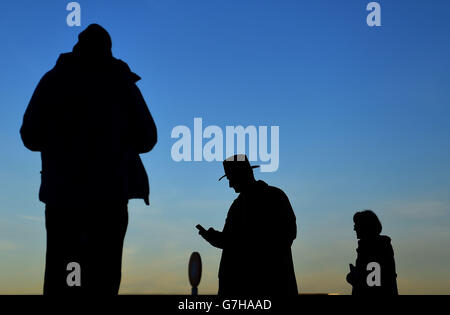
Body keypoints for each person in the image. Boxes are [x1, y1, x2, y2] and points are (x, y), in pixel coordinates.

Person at [20, 24, 157, 295]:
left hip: (64, 199)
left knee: (64, 280)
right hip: (108, 199)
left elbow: (29, 136)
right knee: (103, 281)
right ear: (108, 50)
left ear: (77, 47)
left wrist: (62, 143)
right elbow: (148, 138)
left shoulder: (54, 80)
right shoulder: (121, 84)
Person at [198, 154, 298, 296]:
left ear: (242, 175)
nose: (230, 184)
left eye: (230, 178)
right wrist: (214, 238)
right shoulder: (241, 204)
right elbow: (232, 241)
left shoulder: (272, 197)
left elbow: (284, 235)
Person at [346, 210, 398, 295]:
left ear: (365, 227)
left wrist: (353, 277)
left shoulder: (373, 248)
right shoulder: (380, 246)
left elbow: (373, 282)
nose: (354, 228)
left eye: (356, 225)